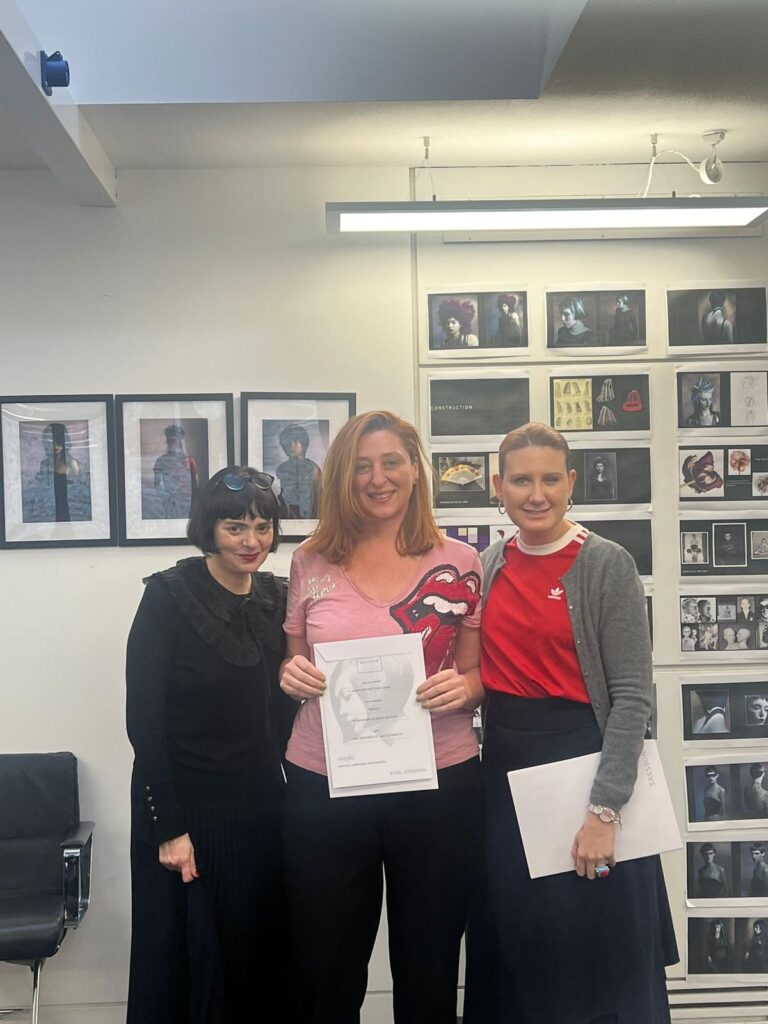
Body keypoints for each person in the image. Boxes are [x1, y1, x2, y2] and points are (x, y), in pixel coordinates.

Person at [463, 422, 677, 1024]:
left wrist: (605, 811)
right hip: (507, 777)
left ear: (572, 482)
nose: (537, 494)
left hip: (589, 774)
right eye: (521, 481)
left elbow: (632, 697)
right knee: (522, 942)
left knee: (600, 943)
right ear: (498, 487)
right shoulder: (488, 565)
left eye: (550, 479)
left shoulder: (606, 564)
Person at [279, 410, 483, 1024]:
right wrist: (291, 675)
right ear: (342, 477)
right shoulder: (310, 560)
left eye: (391, 462)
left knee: (429, 967)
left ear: (415, 470)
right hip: (326, 783)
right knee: (327, 970)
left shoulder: (462, 560)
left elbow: (478, 675)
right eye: (361, 467)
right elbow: (294, 656)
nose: (377, 478)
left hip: (438, 782)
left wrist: (466, 689)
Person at [125, 467, 296, 1023]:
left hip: (260, 808)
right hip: (187, 812)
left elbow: (290, 709)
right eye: (235, 528)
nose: (252, 541)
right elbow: (144, 720)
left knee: (257, 954)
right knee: (190, 961)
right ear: (209, 528)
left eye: (263, 527)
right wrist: (169, 828)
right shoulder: (168, 597)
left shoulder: (278, 598)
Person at [25, 421, 91, 523]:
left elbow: (84, 496)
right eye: (50, 442)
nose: (55, 446)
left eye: (58, 441)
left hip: (73, 515)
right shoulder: (44, 465)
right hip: (50, 514)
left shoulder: (75, 465)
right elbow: (39, 492)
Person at [150, 423, 200, 519]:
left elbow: (195, 486)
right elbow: (157, 486)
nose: (174, 444)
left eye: (178, 441)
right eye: (171, 441)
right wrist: (167, 499)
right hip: (170, 505)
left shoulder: (189, 461)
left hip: (188, 505)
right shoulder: (161, 461)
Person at [275, 423, 322, 519]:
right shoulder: (281, 469)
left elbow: (318, 499)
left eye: (295, 441)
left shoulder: (313, 469)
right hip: (286, 518)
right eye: (287, 442)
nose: (291, 445)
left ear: (303, 443)